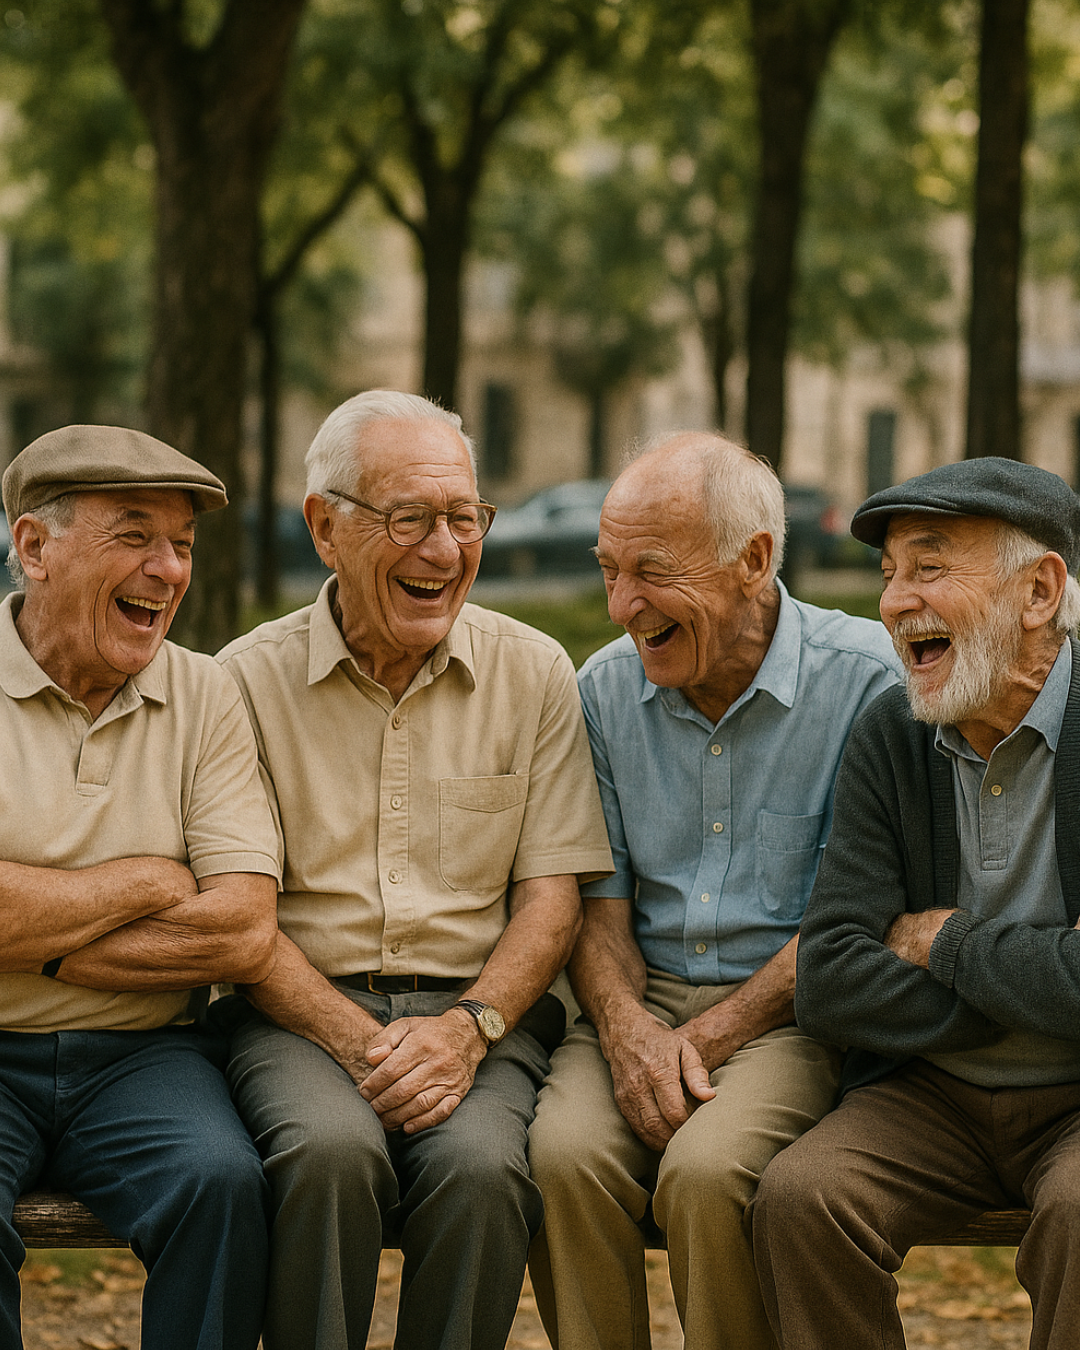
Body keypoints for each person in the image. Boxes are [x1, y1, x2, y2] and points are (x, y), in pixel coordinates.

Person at [216, 389, 613, 1350]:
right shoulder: (242, 683)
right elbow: (242, 920)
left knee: (483, 1172)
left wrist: (468, 1031)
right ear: (325, 527)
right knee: (326, 1156)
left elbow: (551, 900)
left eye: (463, 518)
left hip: (481, 1015)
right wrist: (360, 1042)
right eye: (409, 519)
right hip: (298, 1015)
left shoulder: (535, 672)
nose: (444, 549)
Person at [526, 431, 902, 1350]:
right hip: (637, 999)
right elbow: (600, 906)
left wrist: (707, 1037)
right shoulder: (602, 691)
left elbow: (853, 921)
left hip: (792, 1013)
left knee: (707, 1172)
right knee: (560, 1158)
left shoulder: (867, 684)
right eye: (609, 570)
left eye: (652, 572)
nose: (621, 606)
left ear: (755, 562)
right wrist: (629, 1033)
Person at [752, 457, 1080, 1350]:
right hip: (934, 1096)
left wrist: (947, 944)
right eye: (890, 573)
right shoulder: (892, 731)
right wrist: (1042, 988)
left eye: (930, 568)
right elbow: (831, 980)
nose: (896, 603)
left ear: (1040, 591)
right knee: (803, 1197)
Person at [0, 424, 281, 1350]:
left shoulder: (206, 693)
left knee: (221, 1182)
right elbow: (197, 902)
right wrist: (147, 879)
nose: (168, 570)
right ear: (34, 547)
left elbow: (241, 929)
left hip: (143, 1055)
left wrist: (38, 942)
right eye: (134, 536)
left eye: (183, 544)